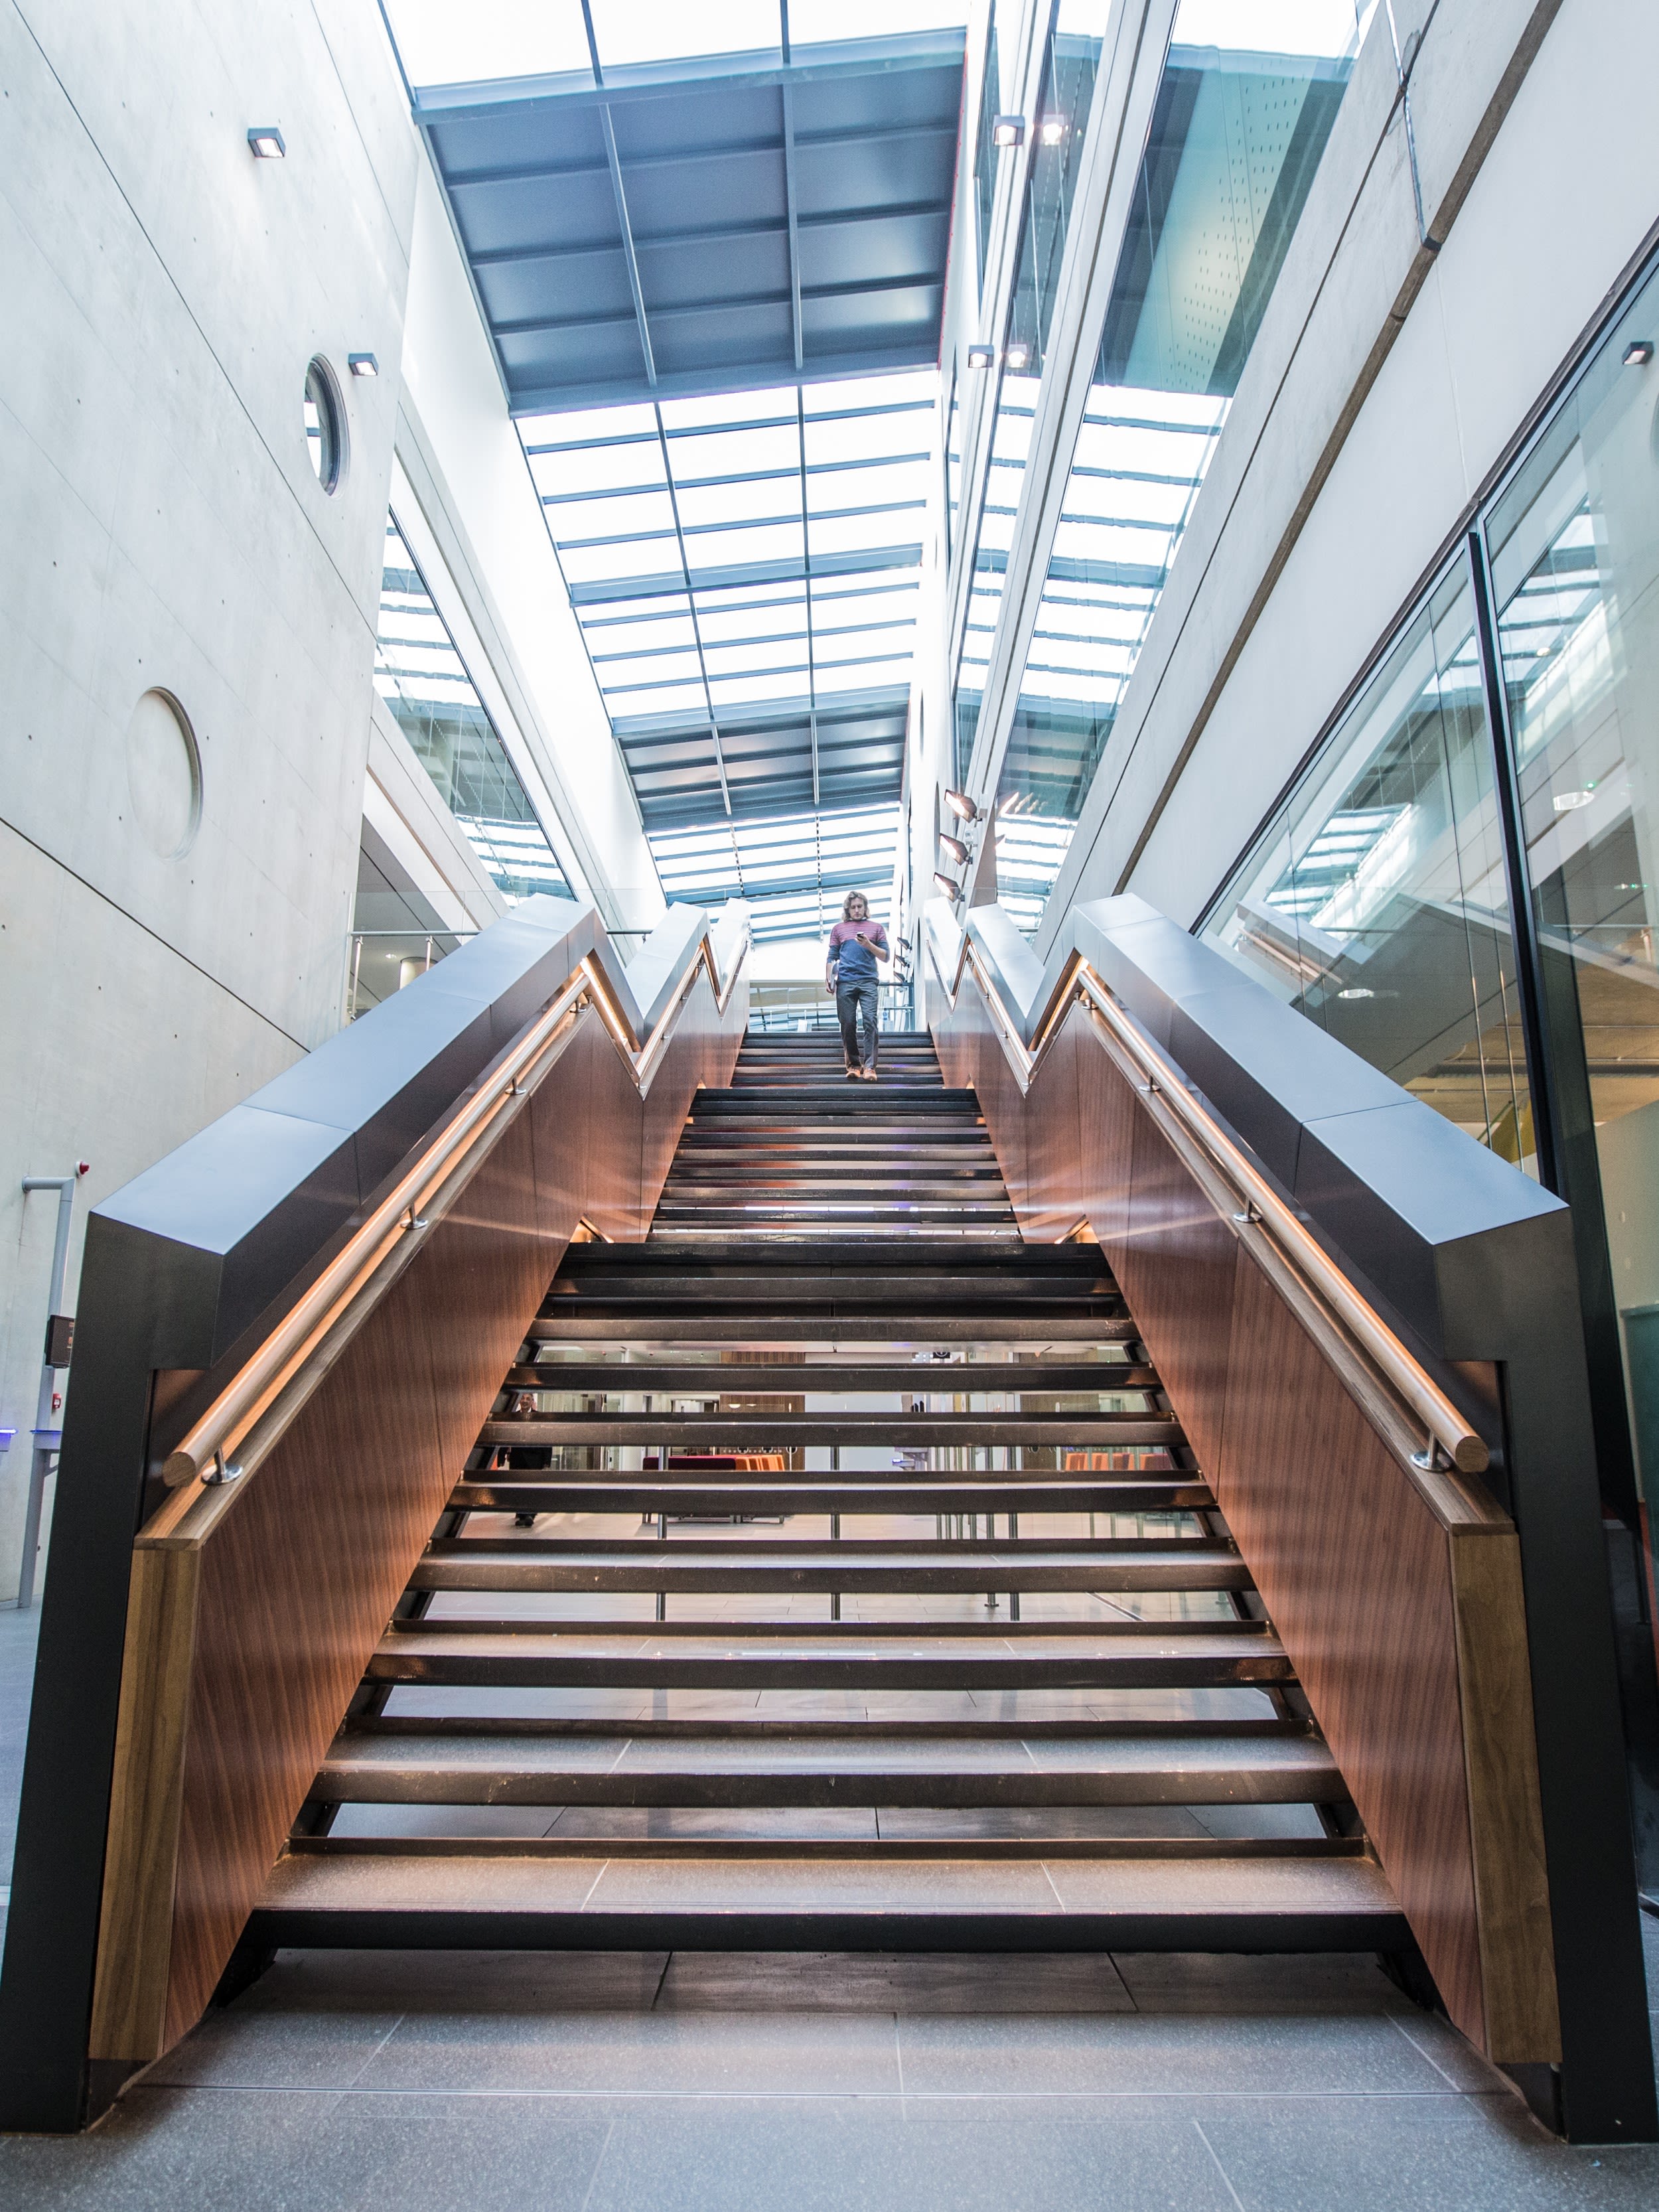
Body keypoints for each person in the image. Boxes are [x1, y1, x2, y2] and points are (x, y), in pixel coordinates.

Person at [825, 891, 889, 1079]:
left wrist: (868, 944)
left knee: (870, 1021)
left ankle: (870, 1067)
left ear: (866, 908)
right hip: (845, 982)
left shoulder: (876, 928)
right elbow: (832, 957)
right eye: (853, 907)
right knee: (848, 1023)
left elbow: (886, 956)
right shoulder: (838, 929)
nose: (857, 910)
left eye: (860, 906)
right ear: (848, 910)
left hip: (869, 981)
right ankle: (853, 1065)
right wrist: (829, 979)